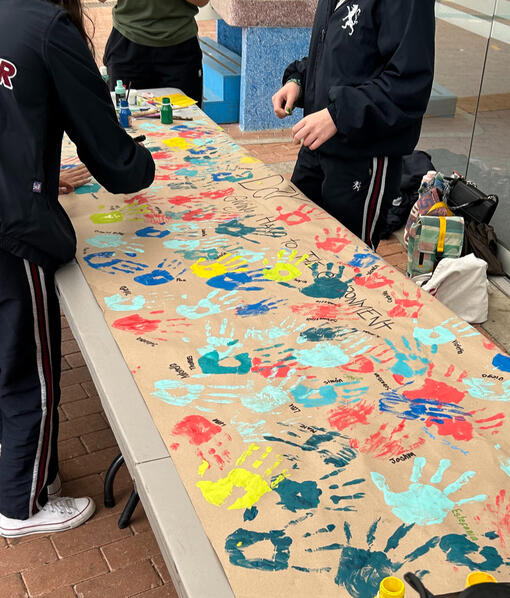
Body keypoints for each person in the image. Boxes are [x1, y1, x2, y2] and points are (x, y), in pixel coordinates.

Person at [0, 0, 155, 537]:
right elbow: (108, 150)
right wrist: (141, 164)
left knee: (4, 353)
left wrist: (39, 168)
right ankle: (22, 503)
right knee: (29, 367)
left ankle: (19, 466)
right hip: (11, 228)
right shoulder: (48, 26)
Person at [272, 0, 435, 250]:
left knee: (347, 259)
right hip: (318, 147)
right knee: (294, 242)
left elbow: (410, 83)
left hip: (363, 157)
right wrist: (299, 80)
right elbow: (338, 54)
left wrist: (338, 114)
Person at [101, 0, 210, 106]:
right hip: (128, 41)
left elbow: (202, 1)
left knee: (187, 116)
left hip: (179, 46)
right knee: (125, 114)